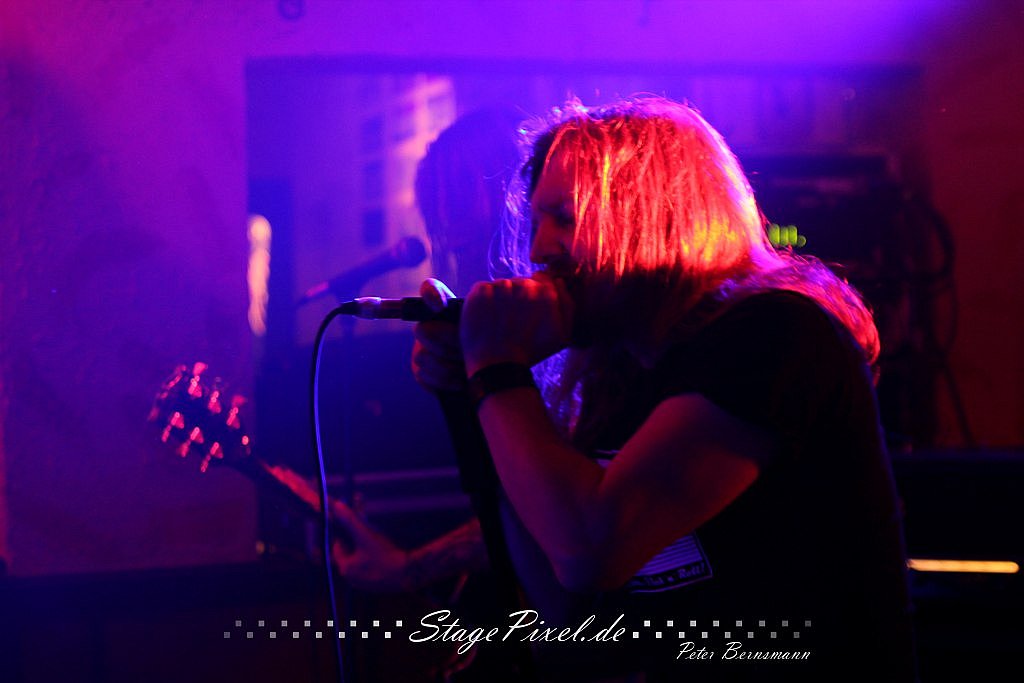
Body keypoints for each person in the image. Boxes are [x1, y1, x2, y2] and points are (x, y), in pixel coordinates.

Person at [410, 96, 916, 681]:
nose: (539, 250)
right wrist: (472, 391)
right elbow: (565, 608)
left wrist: (499, 369)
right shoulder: (621, 379)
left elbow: (590, 549)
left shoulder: (774, 335)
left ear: (648, 214)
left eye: (565, 218)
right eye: (537, 223)